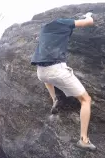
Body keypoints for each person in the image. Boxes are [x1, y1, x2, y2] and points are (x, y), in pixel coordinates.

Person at [31, 12, 96, 150]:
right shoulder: (62, 22)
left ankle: (55, 99)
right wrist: (88, 16)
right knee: (86, 100)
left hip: (41, 72)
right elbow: (87, 23)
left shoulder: (44, 29)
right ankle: (84, 139)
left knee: (47, 78)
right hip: (56, 70)